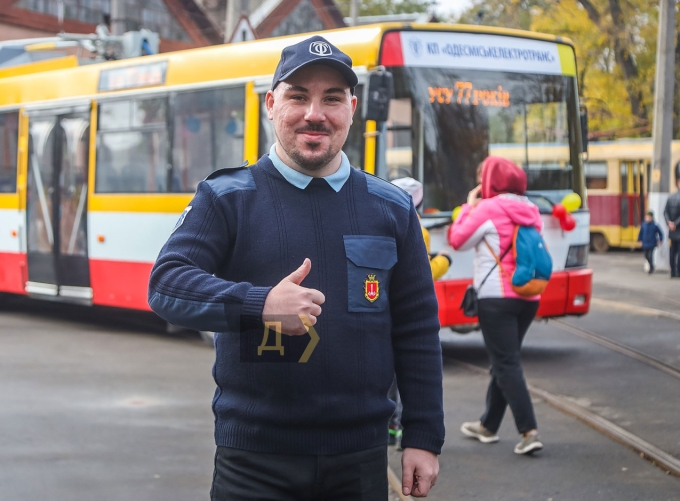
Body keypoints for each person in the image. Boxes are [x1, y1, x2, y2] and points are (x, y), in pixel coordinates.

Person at [149, 35, 444, 499]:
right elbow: (166, 285)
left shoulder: (391, 207)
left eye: (331, 99)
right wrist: (259, 303)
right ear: (271, 104)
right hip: (254, 463)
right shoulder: (226, 198)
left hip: (359, 462)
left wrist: (424, 437)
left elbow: (417, 328)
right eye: (298, 96)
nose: (315, 114)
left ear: (351, 107)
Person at [447, 156, 544, 455]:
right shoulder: (530, 209)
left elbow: (457, 239)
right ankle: (488, 425)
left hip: (496, 297)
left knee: (506, 363)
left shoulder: (488, 208)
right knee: (505, 360)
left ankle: (529, 431)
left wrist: (468, 205)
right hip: (529, 294)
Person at [387, 177, 451, 448]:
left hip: (381, 310)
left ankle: (390, 428)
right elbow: (421, 275)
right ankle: (402, 430)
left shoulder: (381, 215)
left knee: (387, 373)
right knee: (405, 370)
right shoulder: (416, 227)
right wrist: (444, 260)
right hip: (400, 310)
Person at [665, 177, 680, 278]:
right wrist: (675, 224)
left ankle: (672, 272)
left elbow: (665, 212)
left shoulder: (670, 197)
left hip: (672, 231)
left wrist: (669, 223)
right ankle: (678, 271)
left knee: (672, 251)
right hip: (678, 229)